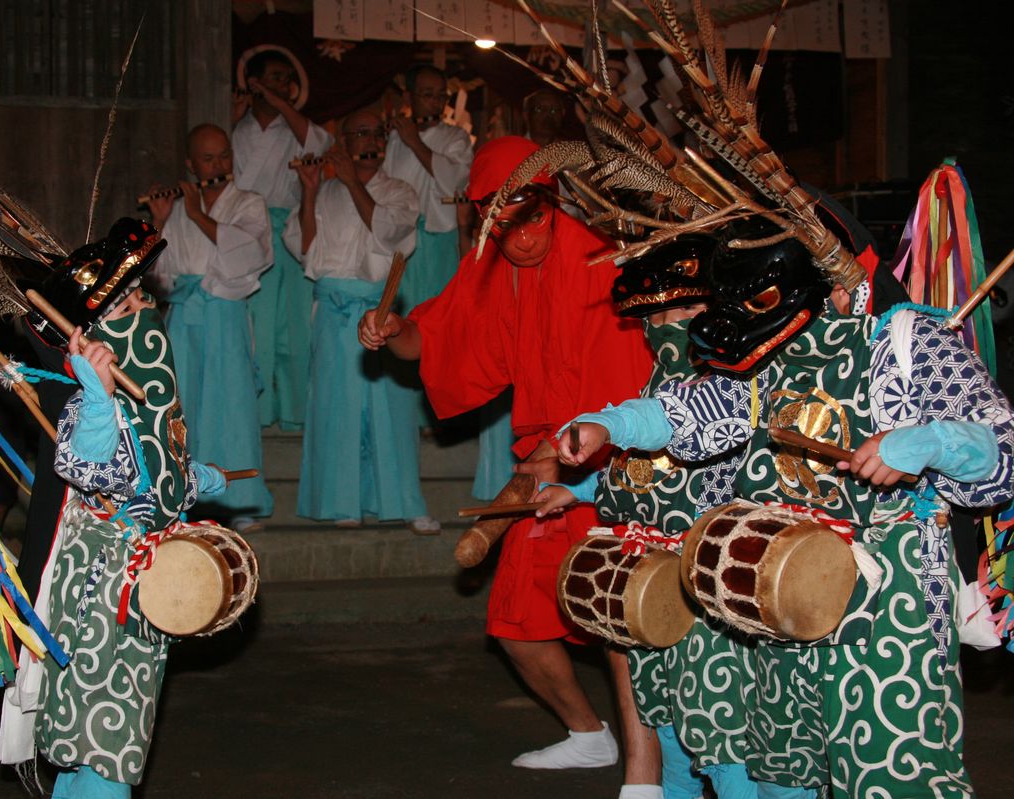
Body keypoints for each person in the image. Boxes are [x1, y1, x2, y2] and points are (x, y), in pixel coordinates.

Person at [561, 218, 1014, 797]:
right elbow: (688, 413)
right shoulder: (764, 353)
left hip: (887, 606)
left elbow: (1000, 448)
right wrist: (611, 424)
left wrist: (930, 443)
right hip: (777, 595)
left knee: (890, 774)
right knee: (784, 775)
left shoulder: (904, 345)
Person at [358, 137, 660, 794]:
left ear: (551, 201)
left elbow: (623, 394)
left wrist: (563, 460)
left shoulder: (600, 264)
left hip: (612, 465)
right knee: (516, 619)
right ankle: (588, 735)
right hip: (539, 466)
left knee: (619, 617)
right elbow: (437, 335)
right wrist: (390, 331)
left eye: (529, 219)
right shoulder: (494, 267)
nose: (519, 239)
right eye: (502, 224)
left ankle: (646, 771)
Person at [0, 218, 231, 798]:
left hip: (136, 583)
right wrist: (99, 401)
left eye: (141, 295)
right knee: (107, 743)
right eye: (127, 306)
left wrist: (189, 478)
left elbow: (147, 471)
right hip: (102, 593)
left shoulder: (146, 400)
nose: (144, 310)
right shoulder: (88, 398)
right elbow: (83, 467)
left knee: (104, 745)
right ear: (91, 334)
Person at [535, 236, 759, 799]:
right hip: (659, 580)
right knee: (673, 722)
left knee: (721, 728)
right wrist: (582, 491)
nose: (665, 324)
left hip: (716, 586)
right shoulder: (661, 384)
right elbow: (646, 472)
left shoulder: (737, 384)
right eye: (653, 314)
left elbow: (667, 433)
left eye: (681, 310)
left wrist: (609, 426)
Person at [284, 108, 436, 532]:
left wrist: (350, 180)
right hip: (334, 310)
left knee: (393, 410)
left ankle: (406, 502)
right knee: (338, 410)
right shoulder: (328, 190)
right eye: (361, 134)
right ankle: (342, 502)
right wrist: (311, 191)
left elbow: (389, 233)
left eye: (378, 136)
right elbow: (307, 253)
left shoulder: (400, 191)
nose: (372, 143)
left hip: (381, 309)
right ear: (343, 142)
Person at [149, 123, 274, 533]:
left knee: (232, 406)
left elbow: (250, 256)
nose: (219, 164)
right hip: (184, 318)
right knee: (182, 406)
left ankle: (242, 502)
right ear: (191, 164)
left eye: (224, 156)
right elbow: (162, 277)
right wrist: (163, 221)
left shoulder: (249, 203)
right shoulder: (179, 206)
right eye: (208, 158)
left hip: (224, 314)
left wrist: (198, 214)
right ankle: (181, 496)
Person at [233, 49, 332, 431]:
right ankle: (257, 410)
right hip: (248, 231)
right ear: (254, 82)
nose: (282, 85)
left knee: (294, 322)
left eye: (286, 79)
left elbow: (321, 145)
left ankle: (295, 412)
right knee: (257, 322)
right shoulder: (238, 130)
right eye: (273, 77)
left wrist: (279, 104)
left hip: (289, 229)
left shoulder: (295, 129)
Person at [383, 65, 473, 309]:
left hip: (441, 240)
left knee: (439, 310)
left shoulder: (456, 137)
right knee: (403, 311)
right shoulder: (394, 138)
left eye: (441, 95)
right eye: (427, 95)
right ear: (408, 97)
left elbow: (457, 181)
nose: (436, 102)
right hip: (401, 239)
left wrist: (414, 142)